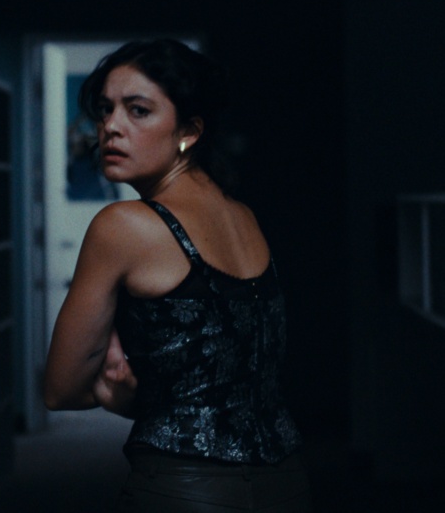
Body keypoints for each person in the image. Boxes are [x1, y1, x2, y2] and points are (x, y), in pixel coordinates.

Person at [43, 39, 311, 512]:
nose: (111, 127)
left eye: (138, 110)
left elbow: (61, 387)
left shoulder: (123, 226)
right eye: (105, 109)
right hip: (286, 484)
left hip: (183, 489)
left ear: (188, 131)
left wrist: (122, 397)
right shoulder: (243, 216)